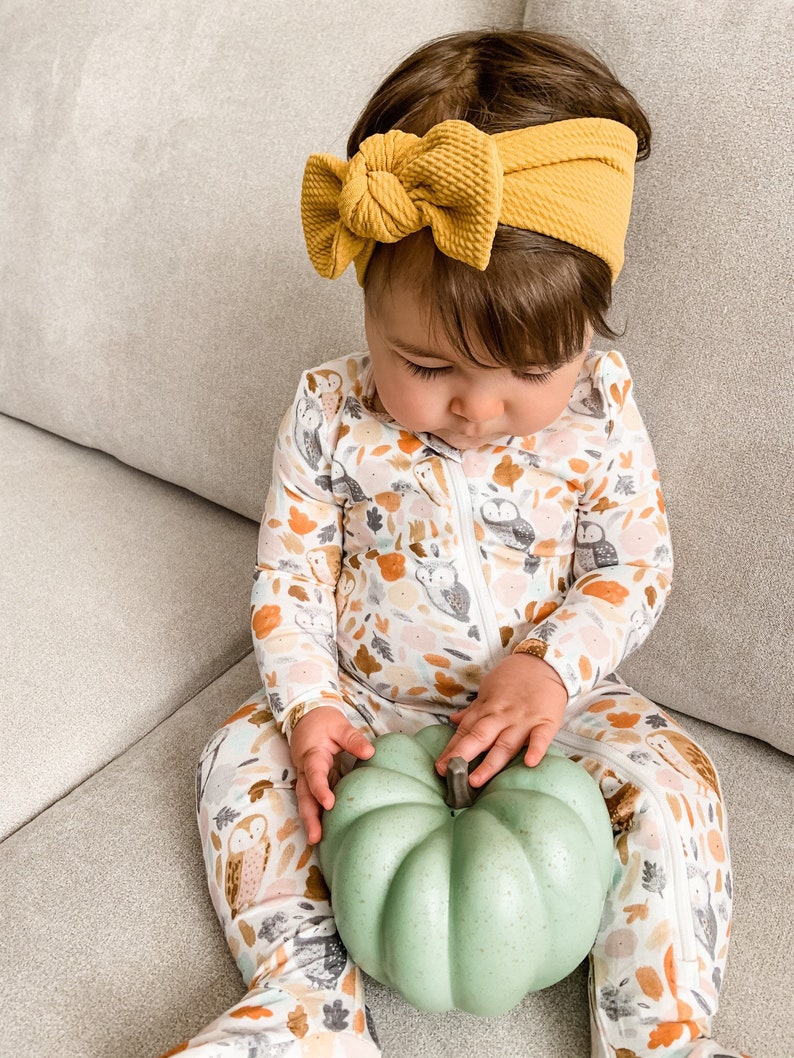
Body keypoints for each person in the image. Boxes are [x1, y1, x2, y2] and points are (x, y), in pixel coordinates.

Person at [162, 30, 748, 1058]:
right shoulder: (327, 413)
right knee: (229, 759)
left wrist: (548, 668)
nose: (474, 408)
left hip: (549, 714)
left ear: (587, 329)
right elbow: (289, 580)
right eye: (425, 364)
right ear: (365, 310)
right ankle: (306, 1000)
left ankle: (657, 1029)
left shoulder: (600, 415)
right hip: (368, 709)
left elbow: (631, 562)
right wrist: (311, 711)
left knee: (674, 777)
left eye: (527, 372)